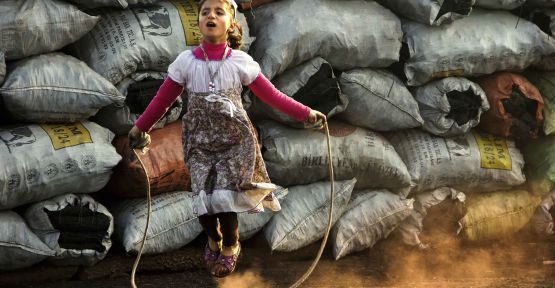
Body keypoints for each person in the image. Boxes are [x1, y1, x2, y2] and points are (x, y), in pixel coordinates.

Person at [128, 0, 326, 278]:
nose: (211, 15)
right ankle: (213, 238)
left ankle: (231, 245)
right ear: (198, 22)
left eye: (219, 12)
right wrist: (141, 127)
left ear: (231, 23)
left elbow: (271, 96)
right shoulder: (185, 62)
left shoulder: (240, 62)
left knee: (223, 199)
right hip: (199, 142)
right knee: (202, 200)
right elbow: (163, 100)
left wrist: (305, 113)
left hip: (234, 142)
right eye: (205, 12)